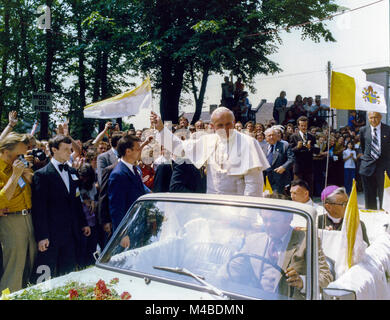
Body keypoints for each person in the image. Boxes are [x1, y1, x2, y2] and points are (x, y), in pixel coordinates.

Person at [151, 107, 269, 196]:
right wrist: (161, 129)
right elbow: (180, 148)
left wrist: (245, 213)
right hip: (213, 205)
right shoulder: (209, 140)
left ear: (234, 122)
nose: (225, 129)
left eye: (228, 124)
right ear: (212, 126)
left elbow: (254, 185)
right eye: (220, 125)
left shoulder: (248, 142)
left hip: (237, 207)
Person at [220, 209, 333, 299]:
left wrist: (302, 282)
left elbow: (326, 277)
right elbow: (232, 268)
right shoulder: (253, 240)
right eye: (265, 220)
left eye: (274, 220)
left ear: (289, 219)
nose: (268, 225)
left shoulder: (307, 241)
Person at [31, 135, 91, 281]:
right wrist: (42, 236)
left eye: (70, 149)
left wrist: (83, 223)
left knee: (68, 274)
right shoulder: (42, 175)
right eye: (65, 149)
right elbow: (39, 209)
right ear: (54, 150)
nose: (69, 153)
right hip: (51, 235)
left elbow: (77, 201)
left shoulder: (72, 172)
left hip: (70, 233)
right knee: (44, 276)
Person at [0, 133, 36, 292]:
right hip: (11, 221)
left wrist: (28, 174)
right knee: (15, 266)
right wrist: (14, 176)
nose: (22, 158)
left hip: (28, 217)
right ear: (7, 152)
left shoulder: (19, 166)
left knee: (30, 261)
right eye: (19, 155)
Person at [108, 134, 146, 231]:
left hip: (138, 225)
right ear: (128, 151)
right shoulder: (118, 174)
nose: (140, 151)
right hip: (128, 229)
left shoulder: (134, 169)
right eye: (138, 149)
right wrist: (121, 234)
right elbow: (116, 208)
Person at [359, 112, 390, 210]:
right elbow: (363, 147)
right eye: (371, 118)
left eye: (376, 117)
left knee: (385, 196)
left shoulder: (388, 130)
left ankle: (385, 218)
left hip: (384, 169)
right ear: (368, 118)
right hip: (368, 168)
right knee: (369, 197)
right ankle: (371, 218)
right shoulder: (363, 130)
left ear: (380, 117)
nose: (373, 120)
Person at [289, 116, 316, 194]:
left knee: (309, 188)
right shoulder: (293, 137)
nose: (304, 127)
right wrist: (297, 147)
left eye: (305, 125)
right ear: (298, 126)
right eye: (302, 125)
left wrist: (311, 147)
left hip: (309, 166)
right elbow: (290, 151)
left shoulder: (312, 137)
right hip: (298, 167)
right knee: (297, 187)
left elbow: (317, 150)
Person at [264, 128, 295, 194]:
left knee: (278, 199)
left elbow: (291, 159)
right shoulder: (264, 147)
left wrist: (283, 167)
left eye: (273, 135)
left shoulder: (284, 145)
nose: (271, 137)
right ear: (266, 137)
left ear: (277, 136)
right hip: (266, 179)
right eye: (269, 135)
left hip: (279, 179)